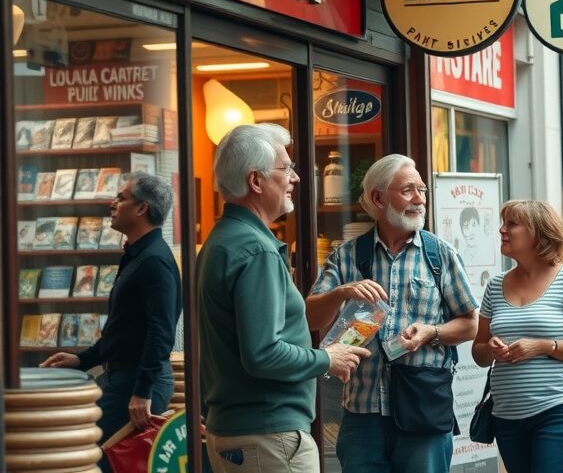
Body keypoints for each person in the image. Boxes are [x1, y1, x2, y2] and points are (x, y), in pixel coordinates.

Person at [197, 124, 369, 473]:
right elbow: (263, 354)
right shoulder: (255, 250)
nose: (295, 178)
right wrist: (326, 358)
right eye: (285, 168)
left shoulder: (223, 240)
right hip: (268, 436)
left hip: (243, 432)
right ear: (256, 181)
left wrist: (335, 296)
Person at [306, 153, 479, 473]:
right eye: (408, 190)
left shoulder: (439, 255)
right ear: (377, 198)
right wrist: (343, 292)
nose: (419, 199)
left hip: (423, 412)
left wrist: (433, 333)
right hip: (362, 415)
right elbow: (311, 318)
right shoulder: (346, 256)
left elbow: (470, 324)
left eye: (422, 190)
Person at [41, 173, 182, 473]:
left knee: (90, 457)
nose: (112, 203)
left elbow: (161, 332)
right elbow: (124, 329)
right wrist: (82, 359)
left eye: (121, 198)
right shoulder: (136, 256)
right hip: (124, 379)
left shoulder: (154, 261)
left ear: (142, 208)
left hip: (138, 384)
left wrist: (142, 391)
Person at [471, 200, 563, 473]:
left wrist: (544, 346)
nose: (501, 230)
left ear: (537, 233)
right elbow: (479, 352)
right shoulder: (495, 286)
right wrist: (491, 348)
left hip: (560, 409)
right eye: (502, 223)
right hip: (506, 415)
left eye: (511, 224)